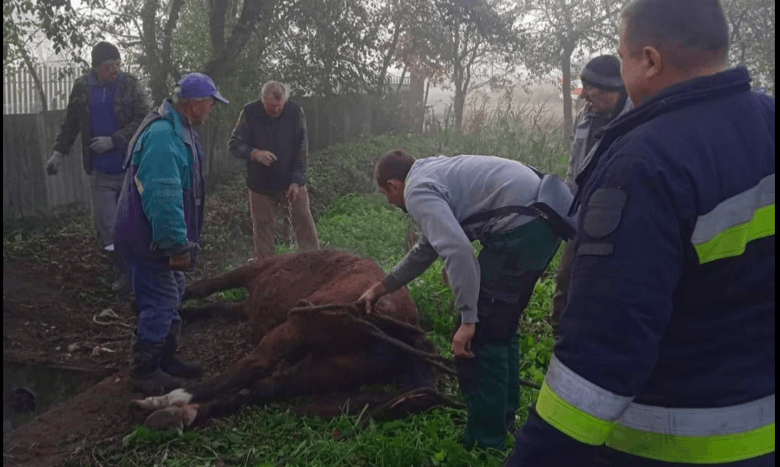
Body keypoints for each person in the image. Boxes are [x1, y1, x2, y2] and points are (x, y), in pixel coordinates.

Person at [506, 0, 775, 465]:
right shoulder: (768, 120)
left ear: (649, 61)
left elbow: (604, 353)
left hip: (677, 445)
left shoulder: (645, 163)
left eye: (623, 55)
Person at [357, 150, 576, 450]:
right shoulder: (431, 171)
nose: (389, 201)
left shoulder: (417, 191)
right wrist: (382, 288)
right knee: (501, 327)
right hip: (543, 218)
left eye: (385, 194)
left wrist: (468, 319)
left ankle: (486, 441)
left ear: (394, 185)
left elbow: (458, 252)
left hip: (523, 229)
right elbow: (427, 249)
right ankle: (502, 419)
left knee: (481, 336)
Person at [114, 72, 230, 395]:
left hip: (150, 237)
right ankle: (144, 373)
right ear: (194, 105)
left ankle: (165, 360)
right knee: (162, 298)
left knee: (174, 291)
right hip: (148, 240)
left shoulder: (180, 130)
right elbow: (163, 197)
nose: (212, 110)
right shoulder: (164, 137)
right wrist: (175, 244)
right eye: (210, 104)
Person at [46, 41, 149, 293]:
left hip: (131, 168)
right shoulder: (82, 87)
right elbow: (71, 123)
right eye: (109, 65)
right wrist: (59, 152)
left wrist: (113, 140)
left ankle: (143, 275)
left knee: (135, 223)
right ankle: (125, 273)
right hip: (101, 171)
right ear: (96, 67)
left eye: (117, 64)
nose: (115, 69)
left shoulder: (130, 84)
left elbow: (143, 119)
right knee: (107, 228)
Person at [550, 55, 632, 335]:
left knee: (609, 283)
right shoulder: (585, 117)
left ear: (612, 89)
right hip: (582, 214)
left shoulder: (639, 118)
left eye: (588, 87)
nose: (583, 94)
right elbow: (574, 166)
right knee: (567, 278)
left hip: (623, 220)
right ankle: (560, 335)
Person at [228, 80, 319, 259]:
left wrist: (297, 180)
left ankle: (313, 265)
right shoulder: (249, 112)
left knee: (305, 224)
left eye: (279, 107)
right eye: (271, 107)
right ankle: (266, 271)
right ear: (262, 100)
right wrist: (254, 153)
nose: (276, 111)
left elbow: (302, 148)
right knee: (263, 231)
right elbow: (234, 144)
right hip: (260, 185)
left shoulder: (295, 112)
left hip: (291, 182)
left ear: (285, 101)